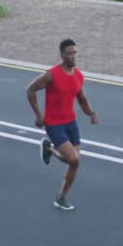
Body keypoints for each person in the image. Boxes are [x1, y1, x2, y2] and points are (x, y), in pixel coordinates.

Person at [26, 38, 98, 210]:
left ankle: (60, 194)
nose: (73, 56)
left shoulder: (79, 76)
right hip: (54, 123)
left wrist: (91, 113)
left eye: (74, 53)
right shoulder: (51, 74)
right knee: (74, 160)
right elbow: (30, 90)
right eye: (69, 53)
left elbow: (82, 99)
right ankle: (51, 151)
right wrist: (39, 115)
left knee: (73, 161)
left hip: (71, 123)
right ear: (62, 55)